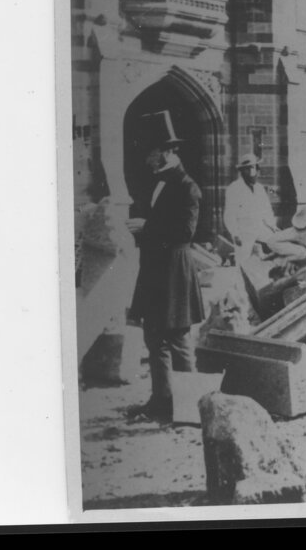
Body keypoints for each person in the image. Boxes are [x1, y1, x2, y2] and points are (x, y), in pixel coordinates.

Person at [125, 110, 205, 423]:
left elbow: (184, 233)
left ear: (165, 153)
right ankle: (161, 402)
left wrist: (147, 227)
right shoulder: (159, 183)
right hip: (156, 272)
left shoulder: (188, 187)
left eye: (150, 153)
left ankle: (190, 406)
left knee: (178, 338)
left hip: (173, 271)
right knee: (153, 337)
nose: (147, 159)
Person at [223, 153, 276, 263]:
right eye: (249, 170)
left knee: (270, 256)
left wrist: (273, 227)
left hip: (261, 230)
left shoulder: (260, 189)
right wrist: (235, 234)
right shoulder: (234, 189)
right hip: (244, 232)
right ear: (242, 171)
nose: (253, 173)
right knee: (244, 262)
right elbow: (229, 215)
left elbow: (267, 211)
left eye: (255, 169)